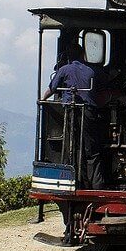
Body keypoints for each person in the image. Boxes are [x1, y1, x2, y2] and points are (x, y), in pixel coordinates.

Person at [41, 46, 108, 189]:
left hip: (71, 112)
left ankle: (77, 182)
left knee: (73, 147)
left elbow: (52, 88)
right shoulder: (92, 71)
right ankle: (97, 184)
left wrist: (41, 99)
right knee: (92, 149)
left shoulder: (64, 69)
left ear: (68, 57)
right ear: (83, 55)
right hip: (89, 112)